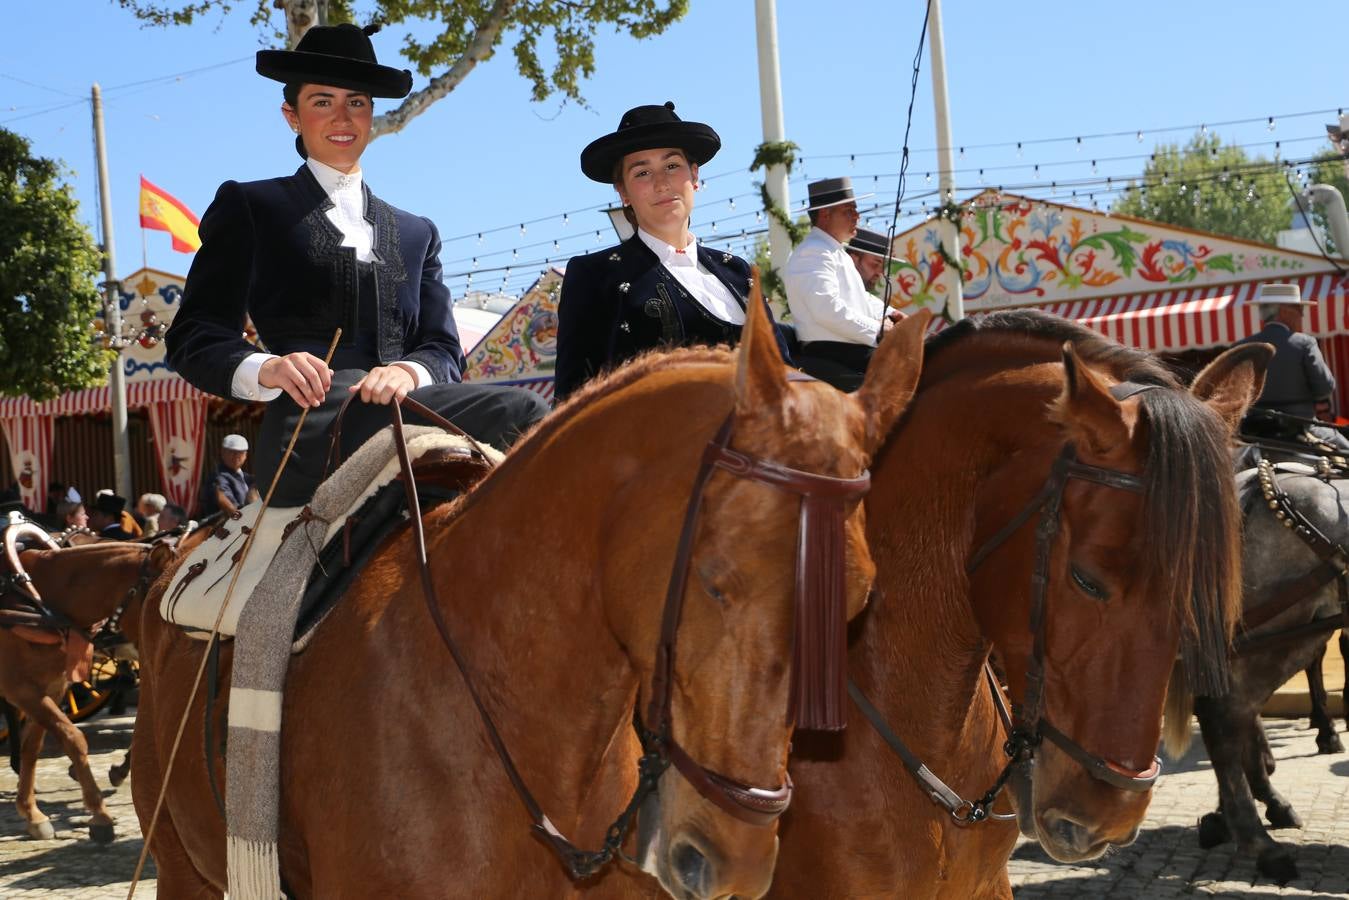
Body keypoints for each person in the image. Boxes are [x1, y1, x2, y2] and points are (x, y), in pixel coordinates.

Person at [165, 23, 549, 507]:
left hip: (410, 408)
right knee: (523, 407)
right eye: (322, 101)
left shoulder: (417, 233)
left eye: (358, 102)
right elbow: (194, 335)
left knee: (530, 423)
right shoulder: (252, 205)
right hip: (313, 424)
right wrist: (270, 368)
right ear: (292, 116)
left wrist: (408, 371)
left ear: (371, 115)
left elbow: (443, 350)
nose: (342, 116)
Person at [555, 102, 792, 402]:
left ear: (694, 175)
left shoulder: (738, 272)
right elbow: (571, 400)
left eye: (671, 166)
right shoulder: (594, 276)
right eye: (642, 172)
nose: (661, 183)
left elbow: (783, 371)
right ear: (623, 192)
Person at [783, 177, 905, 392]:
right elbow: (826, 308)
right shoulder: (814, 251)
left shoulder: (834, 252)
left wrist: (894, 315)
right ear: (825, 214)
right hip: (833, 354)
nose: (857, 216)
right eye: (849, 210)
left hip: (850, 350)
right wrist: (878, 330)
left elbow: (860, 297)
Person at [1237, 282, 1349, 452]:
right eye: (1299, 309)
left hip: (1255, 432)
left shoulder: (1241, 347)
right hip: (1302, 428)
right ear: (1284, 311)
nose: (1302, 315)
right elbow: (1325, 387)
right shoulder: (1304, 343)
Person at [199, 434, 260, 517]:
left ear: (246, 455)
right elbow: (232, 509)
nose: (236, 456)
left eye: (241, 452)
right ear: (222, 452)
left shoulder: (248, 478)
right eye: (232, 452)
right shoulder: (217, 478)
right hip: (226, 527)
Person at [846, 227, 891, 294]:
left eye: (883, 267)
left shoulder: (873, 303)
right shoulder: (830, 290)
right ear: (853, 259)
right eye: (875, 265)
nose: (880, 273)